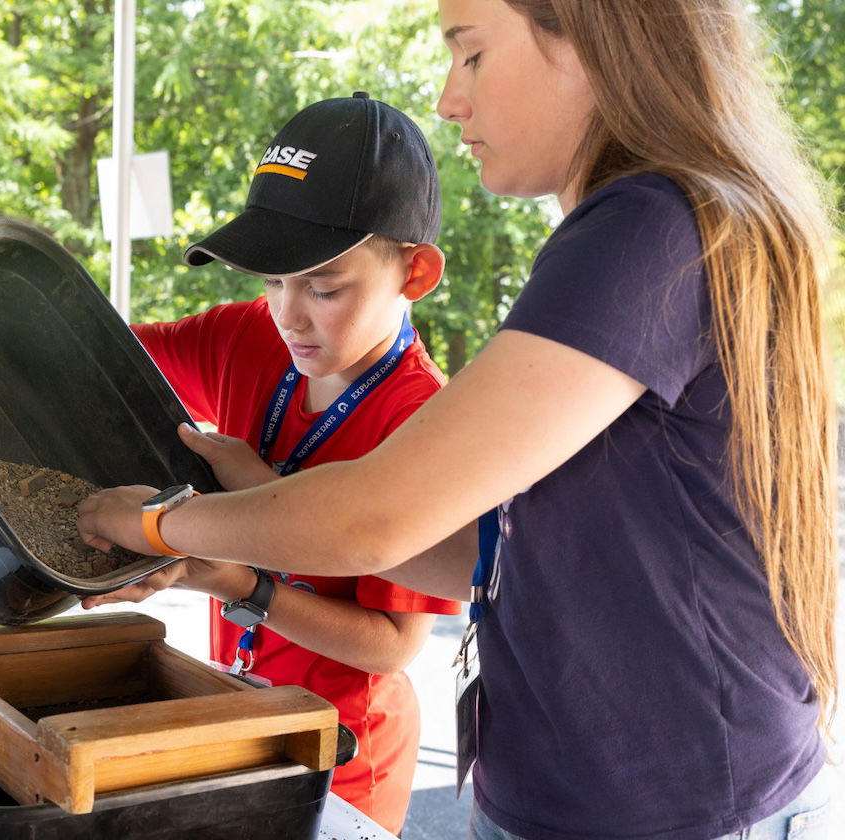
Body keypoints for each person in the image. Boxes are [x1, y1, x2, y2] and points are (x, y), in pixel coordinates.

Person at [78, 2, 841, 839]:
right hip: (565, 795)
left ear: (588, 42)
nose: (448, 98)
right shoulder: (644, 229)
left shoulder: (644, 229)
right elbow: (489, 550)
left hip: (668, 810)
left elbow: (374, 520)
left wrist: (154, 524)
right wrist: (224, 545)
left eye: (470, 55)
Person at [80, 92, 461, 836]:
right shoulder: (249, 337)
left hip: (342, 757)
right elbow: (104, 364)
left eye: (323, 287)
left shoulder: (422, 423)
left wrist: (238, 581)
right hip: (233, 717)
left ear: (414, 272)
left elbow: (392, 646)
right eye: (272, 279)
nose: (289, 313)